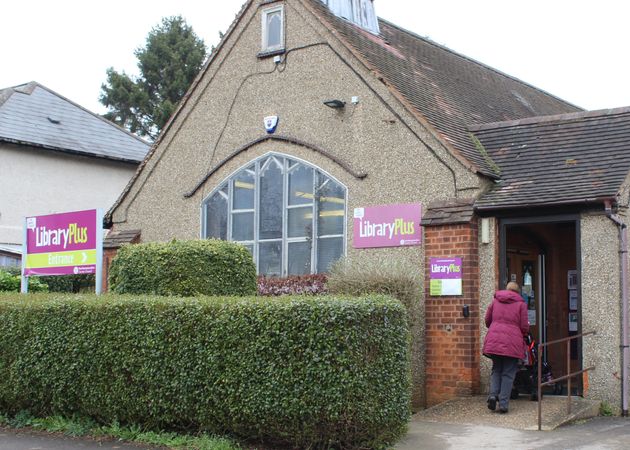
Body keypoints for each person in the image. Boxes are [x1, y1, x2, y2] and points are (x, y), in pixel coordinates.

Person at [482, 281, 529, 413]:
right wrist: (521, 334)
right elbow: (524, 326)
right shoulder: (521, 304)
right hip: (512, 343)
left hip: (494, 340)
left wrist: (494, 327)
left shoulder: (495, 301)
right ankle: (503, 404)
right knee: (508, 373)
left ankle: (492, 395)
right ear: (517, 292)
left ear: (506, 289)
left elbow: (487, 319)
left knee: (496, 369)